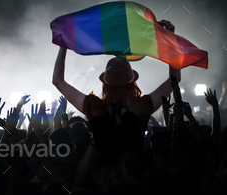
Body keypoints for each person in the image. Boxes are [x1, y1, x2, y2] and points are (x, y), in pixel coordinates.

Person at [52, 20, 181, 134]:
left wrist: (63, 44)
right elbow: (174, 79)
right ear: (132, 83)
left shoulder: (95, 107)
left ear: (105, 84)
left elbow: (58, 81)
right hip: (135, 162)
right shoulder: (142, 106)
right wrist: (171, 40)